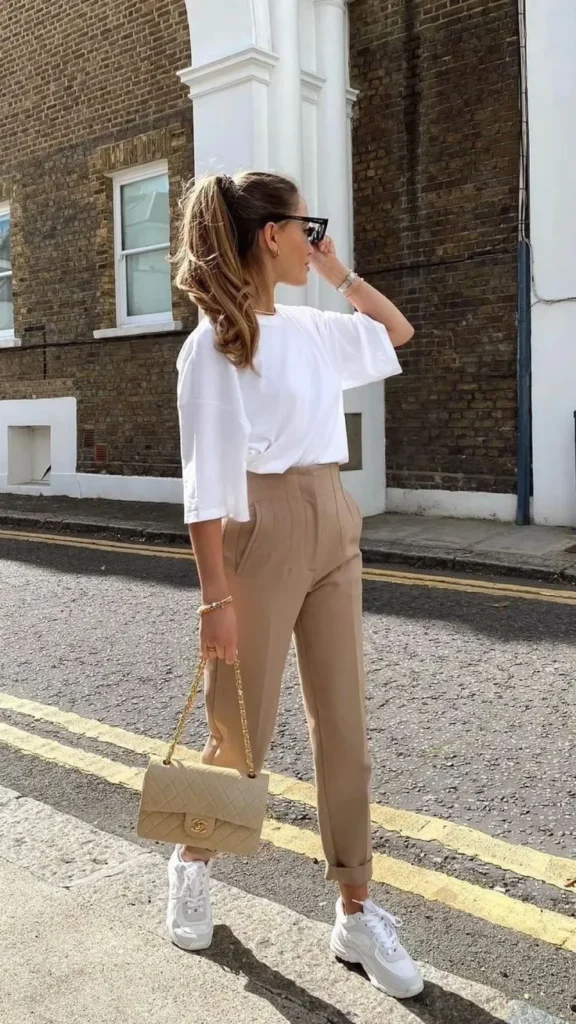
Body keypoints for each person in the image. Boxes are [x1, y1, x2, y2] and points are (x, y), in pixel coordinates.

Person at [169, 170, 423, 1000]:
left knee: (343, 723)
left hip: (331, 516)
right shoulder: (215, 342)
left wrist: (339, 271)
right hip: (258, 528)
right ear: (268, 235)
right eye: (304, 226)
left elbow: (398, 329)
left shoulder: (313, 326)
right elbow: (205, 486)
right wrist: (216, 599)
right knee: (242, 730)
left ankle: (356, 907)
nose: (313, 235)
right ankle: (193, 858)